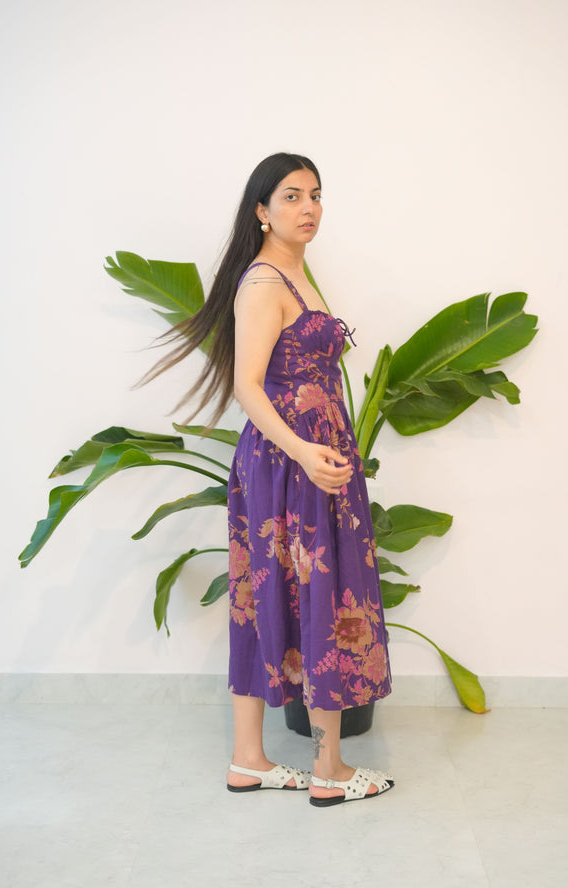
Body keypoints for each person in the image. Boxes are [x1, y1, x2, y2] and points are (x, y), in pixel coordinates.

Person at [152, 153, 393, 806]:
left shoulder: (297, 272)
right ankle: (329, 771)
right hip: (290, 466)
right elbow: (248, 388)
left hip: (311, 463)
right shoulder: (263, 284)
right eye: (291, 196)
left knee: (275, 596)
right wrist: (306, 452)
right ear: (262, 210)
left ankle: (249, 761)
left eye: (316, 194)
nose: (309, 207)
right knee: (313, 598)